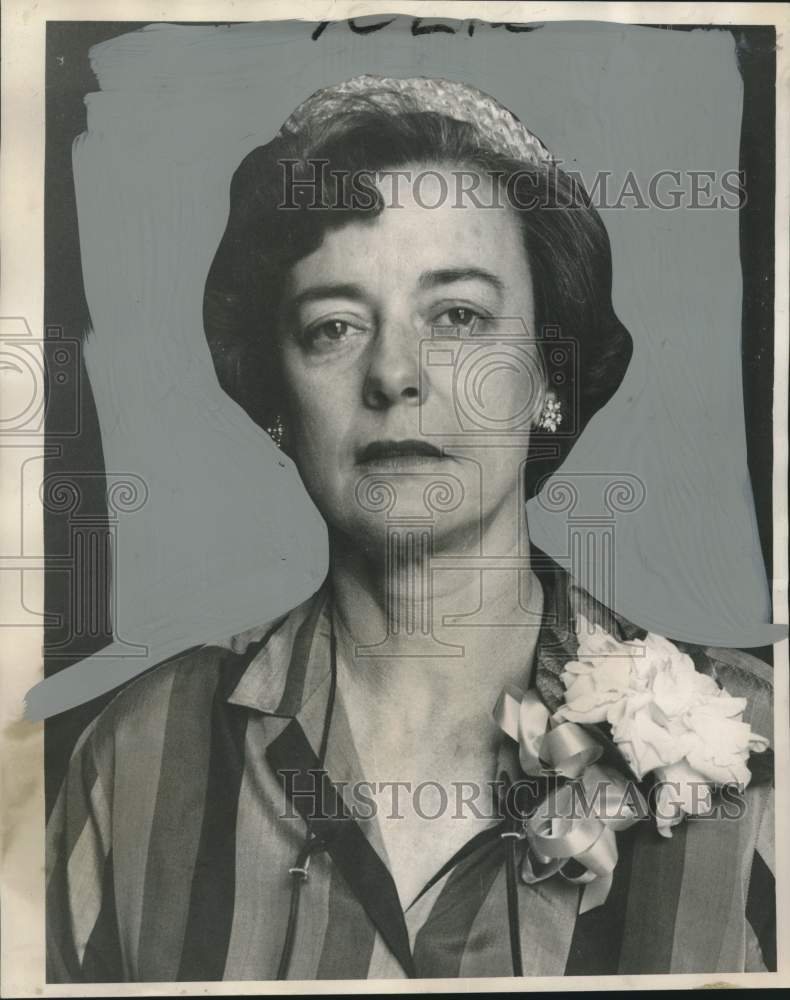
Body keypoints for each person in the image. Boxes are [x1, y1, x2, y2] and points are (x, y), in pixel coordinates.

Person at [46, 75, 775, 982]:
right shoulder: (141, 756)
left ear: (550, 377)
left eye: (459, 316)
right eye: (335, 326)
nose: (395, 373)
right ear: (277, 398)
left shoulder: (760, 748)